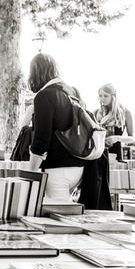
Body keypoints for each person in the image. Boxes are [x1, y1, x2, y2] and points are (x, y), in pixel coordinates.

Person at [27, 53, 86, 200]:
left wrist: (31, 172)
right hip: (80, 167)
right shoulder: (73, 91)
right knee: (67, 214)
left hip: (57, 169)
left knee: (57, 218)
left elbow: (41, 140)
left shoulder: (44, 96)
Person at [94, 83, 135, 161]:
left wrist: (117, 138)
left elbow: (132, 138)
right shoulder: (96, 113)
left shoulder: (125, 113)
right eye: (100, 95)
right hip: (98, 156)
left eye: (106, 96)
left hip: (116, 157)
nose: (102, 99)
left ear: (113, 97)